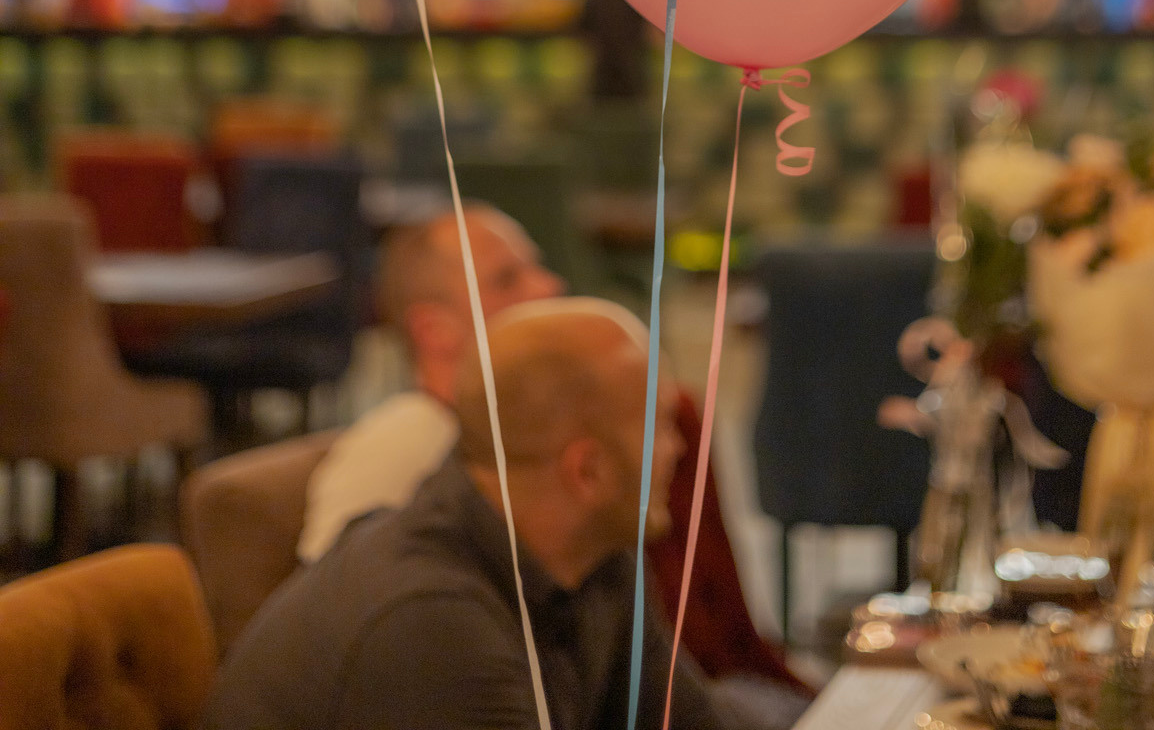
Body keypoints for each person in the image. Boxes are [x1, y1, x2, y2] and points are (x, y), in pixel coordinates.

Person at [301, 205, 807, 721]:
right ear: (585, 471)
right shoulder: (432, 592)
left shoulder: (593, 552)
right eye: (507, 278)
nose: (548, 287)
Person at [206, 299, 736, 730]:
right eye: (661, 427)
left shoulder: (599, 558)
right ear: (588, 472)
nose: (677, 449)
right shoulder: (432, 624)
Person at [299, 203, 562, 560]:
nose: (549, 287)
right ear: (434, 329)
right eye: (506, 279)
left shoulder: (517, 437)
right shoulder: (400, 449)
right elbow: (335, 604)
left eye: (538, 267)